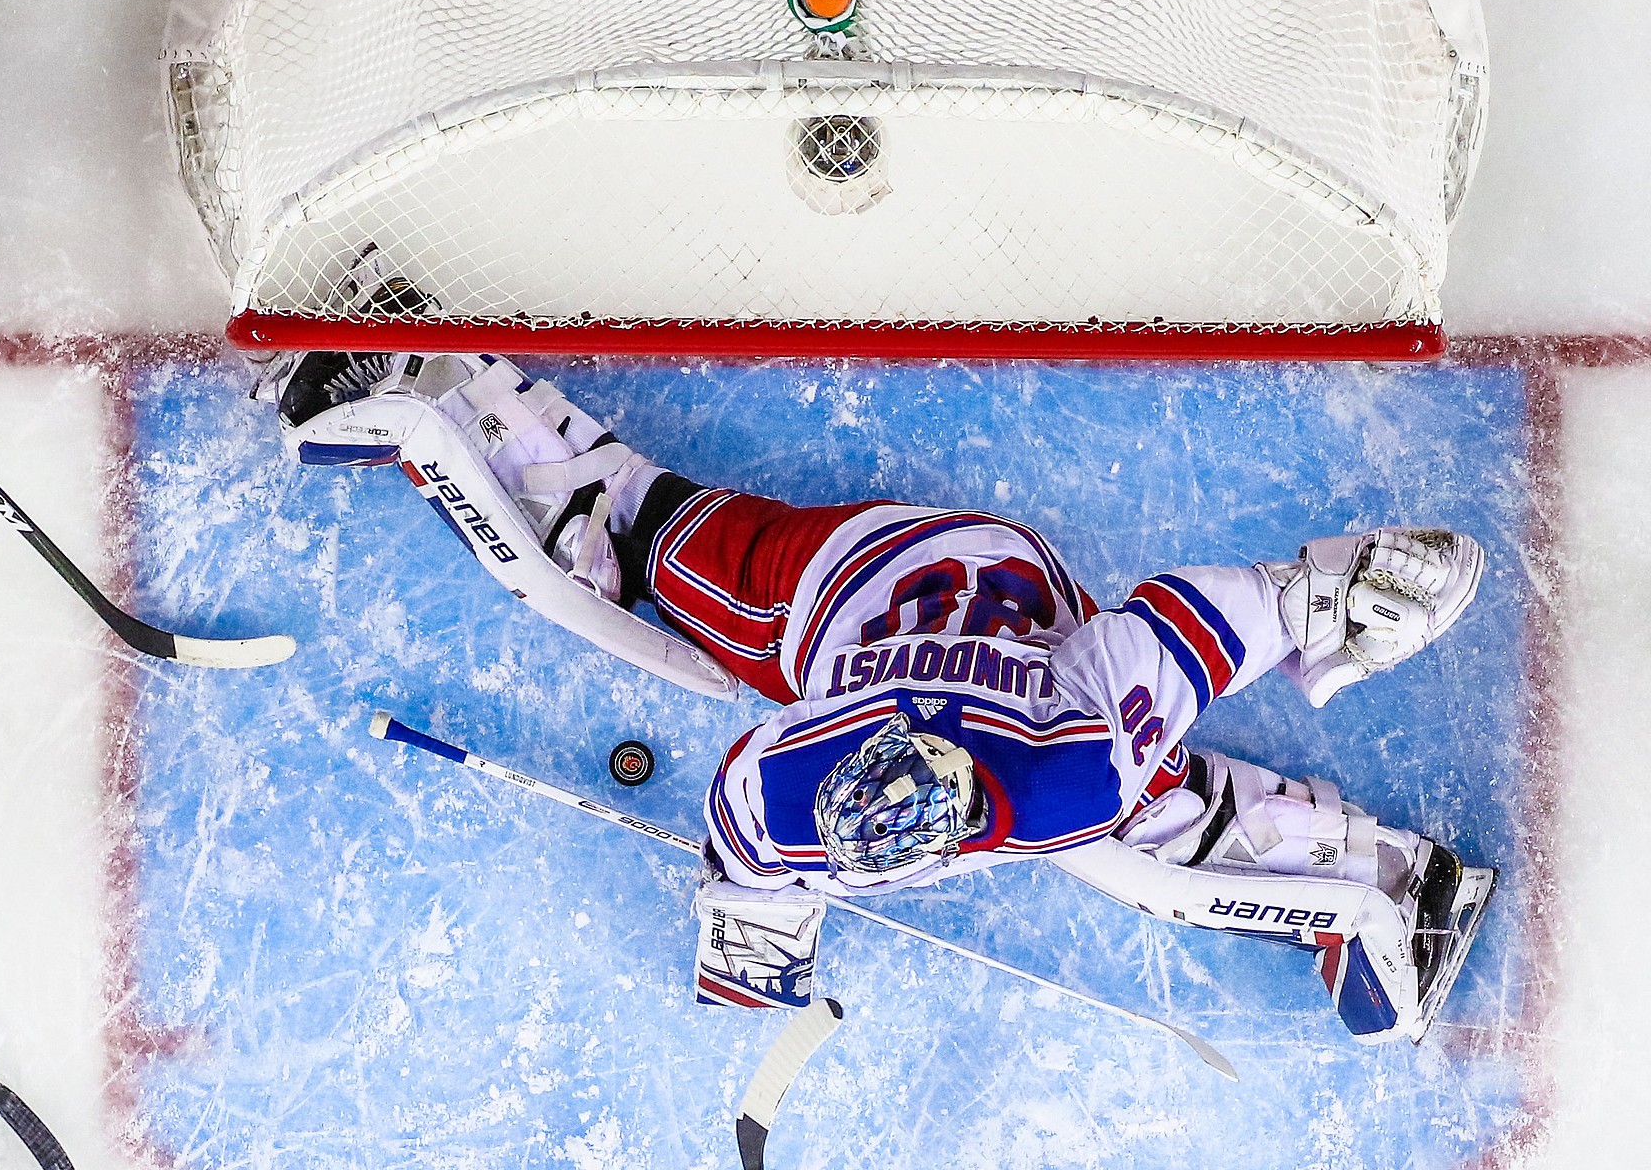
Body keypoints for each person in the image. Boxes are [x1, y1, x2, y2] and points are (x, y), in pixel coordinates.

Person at [272, 331, 1495, 1046]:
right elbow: (750, 861)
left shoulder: (1066, 766)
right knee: (629, 534)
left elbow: (1189, 624)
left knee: (1154, 823)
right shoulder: (774, 785)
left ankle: (1390, 882)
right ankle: (429, 372)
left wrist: (1328, 595)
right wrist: (755, 951)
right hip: (838, 583)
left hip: (999, 592)